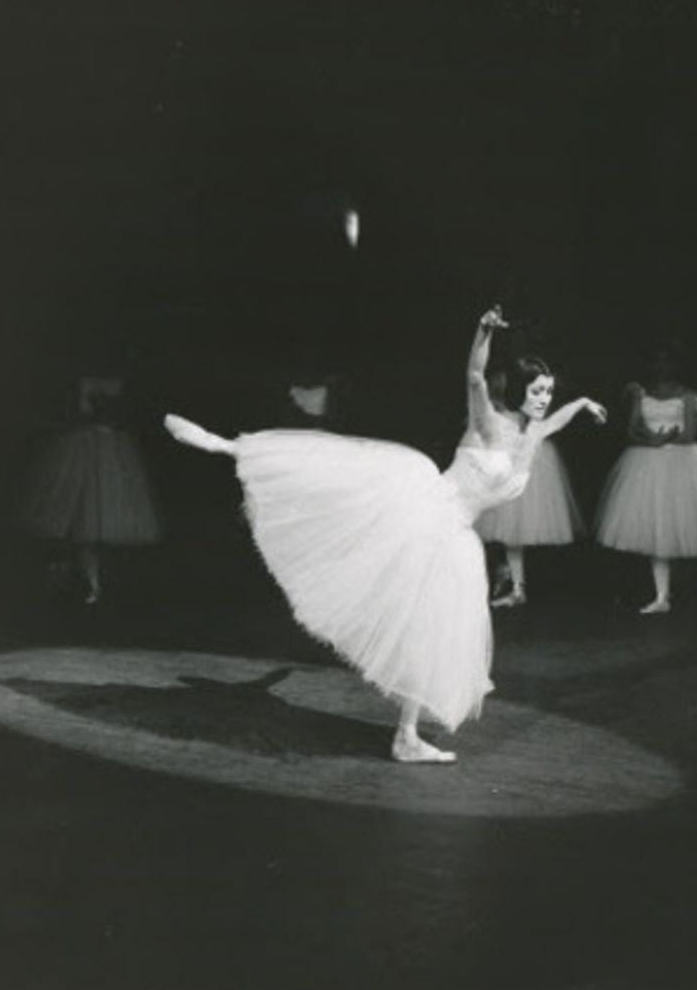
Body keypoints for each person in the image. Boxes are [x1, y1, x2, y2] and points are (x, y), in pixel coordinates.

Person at [162, 306, 606, 763]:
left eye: (549, 391)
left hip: (456, 536)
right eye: (537, 390)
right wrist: (483, 330)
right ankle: (228, 446)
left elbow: (553, 421)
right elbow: (474, 375)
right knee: (339, 486)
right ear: (518, 390)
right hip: (428, 512)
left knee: (430, 633)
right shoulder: (488, 422)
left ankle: (406, 736)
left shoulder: (531, 436)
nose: (544, 399)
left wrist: (581, 405)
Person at [593, 344, 697, 613]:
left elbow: (690, 434)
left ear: (676, 366)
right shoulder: (641, 393)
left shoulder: (687, 395)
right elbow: (633, 430)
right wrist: (653, 441)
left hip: (681, 461)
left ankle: (669, 594)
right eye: (658, 362)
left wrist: (664, 440)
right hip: (646, 462)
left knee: (675, 524)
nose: (662, 368)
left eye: (668, 362)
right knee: (655, 527)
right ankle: (661, 595)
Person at [21, 375, 162, 605]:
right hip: (92, 445)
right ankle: (83, 581)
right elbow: (85, 412)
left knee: (98, 521)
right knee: (82, 524)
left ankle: (94, 583)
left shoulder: (113, 383)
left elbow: (107, 412)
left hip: (107, 445)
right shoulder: (90, 383)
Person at [475, 361, 587, 608]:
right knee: (506, 529)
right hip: (504, 461)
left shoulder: (521, 405)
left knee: (511, 527)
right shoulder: (498, 404)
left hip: (519, 462)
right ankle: (511, 578)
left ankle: (516, 584)